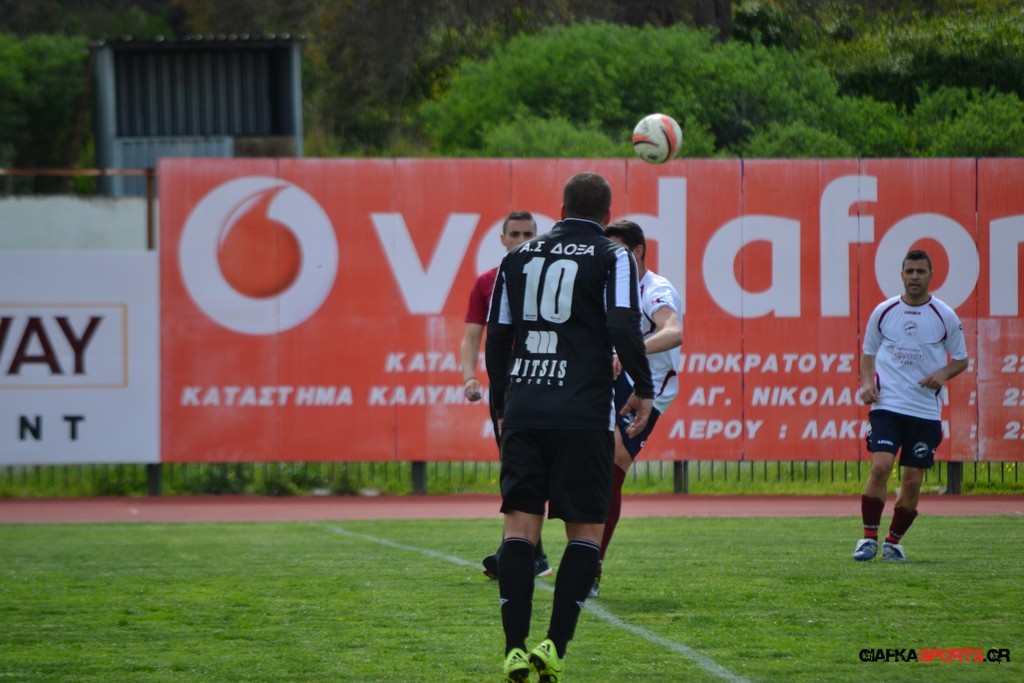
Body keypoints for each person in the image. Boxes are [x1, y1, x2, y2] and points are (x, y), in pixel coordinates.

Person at [486, 172, 654, 682]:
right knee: (585, 531)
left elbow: (498, 339)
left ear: (559, 210)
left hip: (525, 409)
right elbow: (623, 324)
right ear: (607, 216)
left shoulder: (516, 257)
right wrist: (644, 389)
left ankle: (514, 649)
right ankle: (554, 646)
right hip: (583, 413)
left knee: (519, 528)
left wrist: (501, 406)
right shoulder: (613, 255)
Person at [853, 249, 968, 562]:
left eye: (920, 271)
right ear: (902, 275)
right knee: (880, 467)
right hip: (887, 405)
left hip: (924, 411)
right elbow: (868, 353)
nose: (914, 276)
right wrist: (867, 383)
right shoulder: (884, 311)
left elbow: (961, 360)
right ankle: (868, 538)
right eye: (909, 271)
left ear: (930, 276)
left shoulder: (945, 315)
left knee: (913, 479)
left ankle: (893, 542)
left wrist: (941, 374)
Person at [590, 219, 682, 598]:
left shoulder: (654, 288)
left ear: (638, 251)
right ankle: (529, 547)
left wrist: (631, 350)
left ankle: (591, 565)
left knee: (613, 463)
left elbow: (673, 330)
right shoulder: (609, 287)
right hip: (611, 379)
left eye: (619, 251)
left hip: (649, 387)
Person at [459, 210, 552, 579]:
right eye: (515, 234)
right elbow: (472, 337)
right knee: (516, 466)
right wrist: (470, 377)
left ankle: (519, 553)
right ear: (502, 240)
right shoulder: (487, 282)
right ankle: (527, 554)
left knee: (532, 467)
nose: (522, 240)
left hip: (546, 379)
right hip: (509, 387)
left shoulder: (552, 278)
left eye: (528, 234)